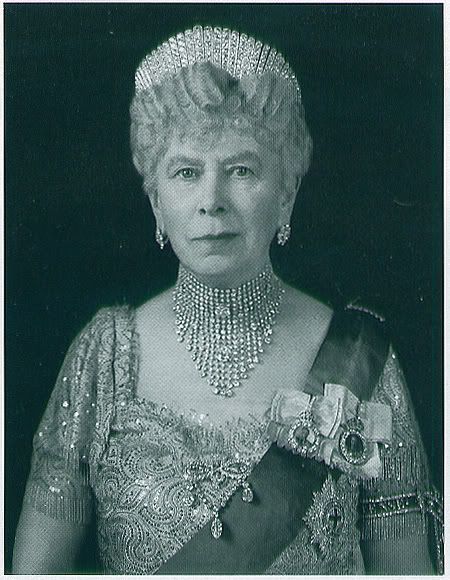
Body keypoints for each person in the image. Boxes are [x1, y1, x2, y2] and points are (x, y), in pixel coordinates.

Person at [12, 25, 442, 575]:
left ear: (286, 192)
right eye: (186, 172)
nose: (211, 202)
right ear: (156, 204)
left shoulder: (360, 358)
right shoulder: (102, 360)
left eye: (241, 170)